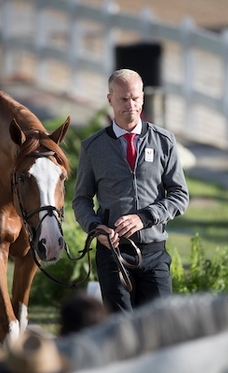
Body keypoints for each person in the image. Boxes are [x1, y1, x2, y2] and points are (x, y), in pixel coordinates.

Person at [72, 68, 189, 313]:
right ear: (110, 100)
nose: (131, 104)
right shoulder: (92, 148)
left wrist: (144, 217)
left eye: (135, 98)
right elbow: (81, 200)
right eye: (123, 99)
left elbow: (180, 196)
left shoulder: (164, 141)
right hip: (113, 254)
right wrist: (95, 228)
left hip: (155, 252)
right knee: (120, 330)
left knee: (160, 327)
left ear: (143, 98)